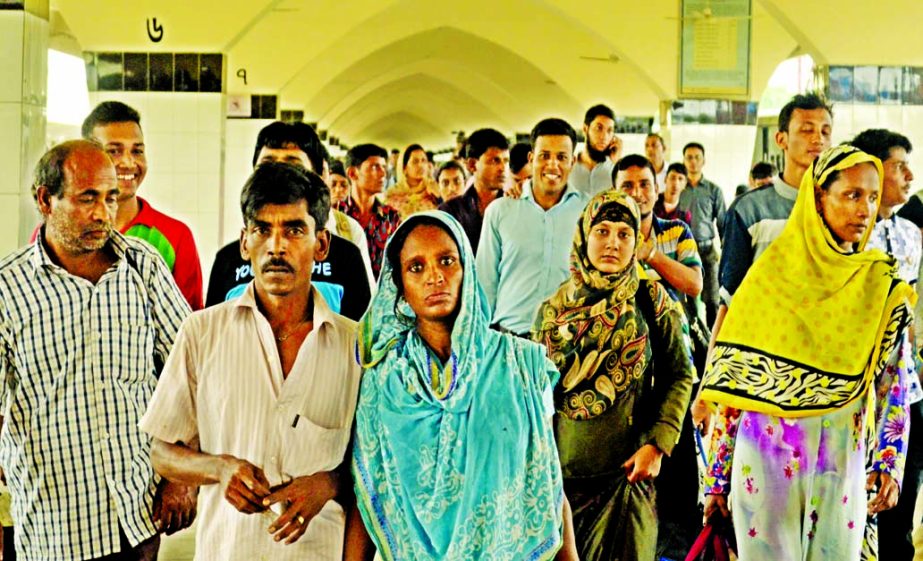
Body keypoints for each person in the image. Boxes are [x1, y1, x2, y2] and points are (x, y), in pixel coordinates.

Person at [701, 145, 916, 561]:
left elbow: (895, 380)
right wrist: (715, 477)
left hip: (841, 456)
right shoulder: (770, 279)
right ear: (818, 197)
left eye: (872, 198)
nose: (864, 209)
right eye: (851, 195)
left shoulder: (880, 284)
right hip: (765, 457)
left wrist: (890, 463)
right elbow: (736, 385)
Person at [141, 163, 360, 560]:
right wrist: (220, 468)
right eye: (262, 230)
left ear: (321, 244)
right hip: (227, 550)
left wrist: (328, 484)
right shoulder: (202, 333)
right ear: (245, 243)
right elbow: (161, 452)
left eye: (294, 230)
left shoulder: (354, 346)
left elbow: (373, 466)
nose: (276, 246)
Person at [345, 211, 578, 561]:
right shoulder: (384, 381)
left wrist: (570, 555)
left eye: (447, 261)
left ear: (467, 270)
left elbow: (545, 479)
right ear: (400, 289)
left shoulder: (520, 365)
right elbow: (372, 493)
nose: (434, 276)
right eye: (416, 267)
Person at [0, 140, 193, 560]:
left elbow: (189, 375)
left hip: (138, 514)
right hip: (57, 525)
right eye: (87, 198)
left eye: (111, 198)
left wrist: (182, 477)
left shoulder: (143, 267)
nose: (103, 213)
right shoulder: (8, 289)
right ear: (45, 200)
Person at [533, 190, 695, 561]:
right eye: (602, 231)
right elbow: (534, 397)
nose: (612, 243)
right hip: (559, 485)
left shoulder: (649, 299)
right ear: (583, 236)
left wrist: (657, 445)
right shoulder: (552, 311)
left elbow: (680, 374)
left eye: (624, 234)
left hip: (627, 479)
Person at [205, 121, 372, 320]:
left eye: (293, 166)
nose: (279, 175)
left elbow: (360, 336)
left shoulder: (345, 256)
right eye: (267, 165)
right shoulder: (227, 259)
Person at [714, 93, 833, 350]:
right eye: (806, 130)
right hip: (761, 350)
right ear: (782, 139)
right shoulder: (749, 210)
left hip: (821, 352)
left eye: (825, 131)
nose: (818, 139)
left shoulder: (838, 210)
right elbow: (730, 300)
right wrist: (709, 377)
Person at [851, 128, 921, 561]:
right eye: (899, 166)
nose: (910, 175)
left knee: (901, 497)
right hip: (854, 390)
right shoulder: (846, 237)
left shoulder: (913, 234)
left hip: (903, 386)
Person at [82, 101, 204, 310]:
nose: (129, 163)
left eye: (137, 151)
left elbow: (190, 326)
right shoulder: (59, 231)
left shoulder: (176, 236)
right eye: (114, 151)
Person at [476, 118, 587, 337]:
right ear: (531, 158)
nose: (552, 165)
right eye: (545, 156)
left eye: (561, 157)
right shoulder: (501, 211)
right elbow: (484, 284)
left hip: (570, 345)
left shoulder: (588, 212)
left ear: (572, 162)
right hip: (509, 340)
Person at [335, 144, 402, 279]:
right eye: (374, 167)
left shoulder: (391, 217)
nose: (383, 173)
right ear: (353, 173)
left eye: (384, 167)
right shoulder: (335, 214)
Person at [678, 142, 726, 326]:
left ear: (703, 161)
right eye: (689, 157)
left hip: (707, 251)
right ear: (684, 160)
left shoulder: (713, 190)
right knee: (688, 303)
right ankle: (695, 345)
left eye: (697, 157)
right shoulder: (678, 189)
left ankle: (712, 346)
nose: (693, 161)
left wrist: (727, 252)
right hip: (683, 252)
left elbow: (722, 222)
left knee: (713, 300)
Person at [439, 128, 509, 254]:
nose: (503, 168)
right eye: (494, 160)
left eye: (506, 161)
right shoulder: (450, 212)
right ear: (471, 165)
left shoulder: (514, 207)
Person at [567, 104, 622, 197]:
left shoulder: (616, 169)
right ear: (585, 129)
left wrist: (617, 165)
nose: (604, 137)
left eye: (609, 130)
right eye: (599, 128)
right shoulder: (568, 166)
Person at [384, 144, 441, 218]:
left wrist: (440, 198)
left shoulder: (435, 190)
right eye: (415, 161)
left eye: (423, 160)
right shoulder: (392, 195)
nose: (421, 165)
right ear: (404, 168)